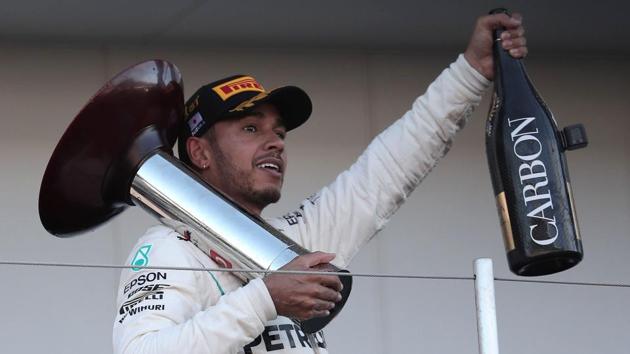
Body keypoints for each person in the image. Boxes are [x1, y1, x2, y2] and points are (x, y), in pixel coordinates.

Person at [113, 12, 527, 354]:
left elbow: (389, 169)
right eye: (251, 129)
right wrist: (266, 300)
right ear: (200, 152)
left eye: (280, 132)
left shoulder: (294, 239)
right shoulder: (171, 247)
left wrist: (472, 71)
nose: (275, 142)